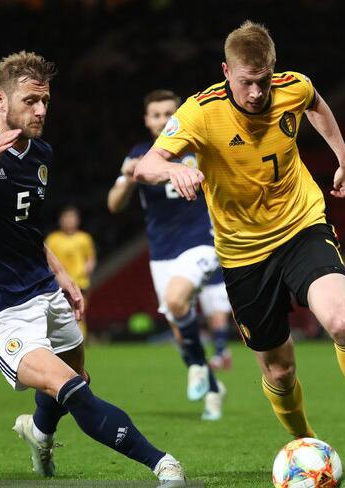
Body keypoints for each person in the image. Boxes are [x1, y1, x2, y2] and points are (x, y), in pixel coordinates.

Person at [134, 22, 345, 461]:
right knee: (280, 371)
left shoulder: (293, 86)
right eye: (246, 82)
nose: (256, 93)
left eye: (263, 80)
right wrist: (174, 168)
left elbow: (316, 103)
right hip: (242, 253)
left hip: (301, 226)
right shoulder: (199, 111)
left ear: (274, 69)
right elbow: (146, 166)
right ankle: (307, 444)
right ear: (226, 72)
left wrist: (344, 159)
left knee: (343, 322)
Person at [0, 51, 185, 484]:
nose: (41, 110)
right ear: (1, 99)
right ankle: (163, 463)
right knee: (73, 388)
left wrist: (62, 274)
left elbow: (26, 228)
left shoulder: (40, 152)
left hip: (43, 287)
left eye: (45, 100)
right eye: (30, 101)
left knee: (76, 375)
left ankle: (40, 433)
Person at [107, 89, 232, 421]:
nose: (163, 120)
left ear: (178, 116)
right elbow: (114, 205)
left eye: (168, 114)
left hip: (202, 242)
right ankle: (212, 387)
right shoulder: (140, 155)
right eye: (156, 115)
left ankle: (198, 367)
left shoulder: (196, 147)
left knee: (177, 301)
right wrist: (128, 176)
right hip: (161, 253)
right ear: (147, 120)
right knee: (180, 330)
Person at [45, 205, 96, 336]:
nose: (69, 221)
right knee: (60, 314)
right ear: (60, 220)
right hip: (59, 283)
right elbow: (47, 260)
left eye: (72, 217)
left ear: (77, 220)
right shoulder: (53, 239)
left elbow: (91, 259)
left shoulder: (84, 238)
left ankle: (80, 340)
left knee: (79, 312)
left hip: (80, 282)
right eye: (66, 217)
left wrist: (85, 270)